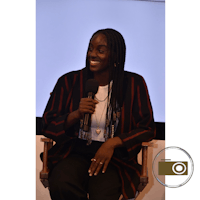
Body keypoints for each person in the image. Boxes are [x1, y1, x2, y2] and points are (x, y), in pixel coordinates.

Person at [41, 28, 156, 200]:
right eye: (90, 48)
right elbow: (47, 124)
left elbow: (147, 128)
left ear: (115, 56)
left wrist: (112, 144)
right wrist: (76, 114)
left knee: (103, 193)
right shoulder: (69, 81)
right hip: (74, 151)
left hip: (115, 158)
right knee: (62, 183)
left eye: (100, 50)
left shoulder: (134, 83)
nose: (92, 54)